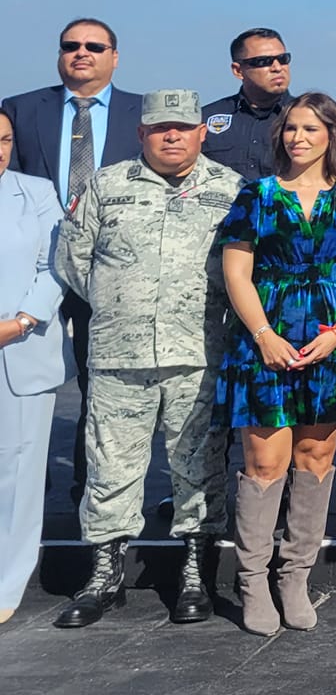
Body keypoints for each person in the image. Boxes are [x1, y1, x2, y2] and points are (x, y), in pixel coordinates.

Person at [52, 91, 241, 628]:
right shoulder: (105, 186)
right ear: (142, 134)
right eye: (161, 128)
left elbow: (243, 271)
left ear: (202, 132)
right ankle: (104, 576)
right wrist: (122, 301)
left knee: (198, 469)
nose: (172, 136)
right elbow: (74, 259)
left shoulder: (230, 192)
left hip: (197, 354)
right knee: (111, 468)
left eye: (183, 127)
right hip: (118, 355)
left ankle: (193, 572)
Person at [215, 94, 336, 635]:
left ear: (333, 133)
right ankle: (253, 581)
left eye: (311, 128)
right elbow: (237, 273)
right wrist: (263, 335)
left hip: (332, 339)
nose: (298, 137)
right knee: (265, 461)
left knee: (316, 453)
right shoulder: (256, 194)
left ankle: (295, 576)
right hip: (267, 338)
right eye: (291, 128)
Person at [1, 18, 141, 506]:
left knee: (99, 386)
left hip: (107, 271)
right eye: (71, 46)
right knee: (20, 383)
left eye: (94, 46)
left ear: (114, 56)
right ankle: (22, 480)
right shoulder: (19, 109)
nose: (81, 53)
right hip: (33, 271)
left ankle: (89, 487)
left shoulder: (140, 113)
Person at [0, 110, 64, 624]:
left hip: (19, 348)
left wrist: (21, 321)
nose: (0, 150)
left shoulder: (37, 191)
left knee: (17, 473)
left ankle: (7, 580)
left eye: (4, 141)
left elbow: (54, 264)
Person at [200, 27, 294, 181]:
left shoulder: (310, 120)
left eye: (283, 59)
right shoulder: (205, 119)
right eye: (263, 61)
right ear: (238, 71)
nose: (277, 68)